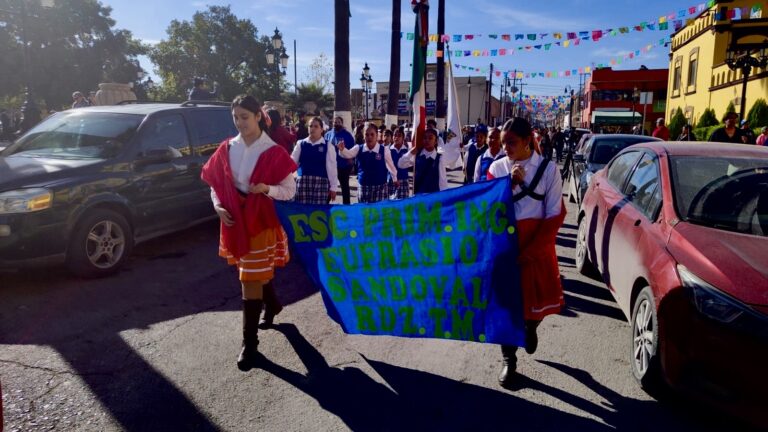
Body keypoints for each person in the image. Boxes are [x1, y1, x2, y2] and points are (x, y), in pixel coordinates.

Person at [200, 95, 297, 371]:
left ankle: (250, 344)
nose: (240, 122)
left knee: (249, 278)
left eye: (245, 116)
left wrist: (267, 189)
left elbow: (290, 192)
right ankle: (274, 304)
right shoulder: (226, 148)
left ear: (258, 117)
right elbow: (216, 184)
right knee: (253, 273)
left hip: (259, 223)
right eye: (236, 117)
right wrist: (217, 206)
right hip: (234, 220)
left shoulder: (275, 152)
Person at [486, 117, 565, 387]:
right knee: (506, 306)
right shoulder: (497, 168)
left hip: (537, 244)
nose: (505, 147)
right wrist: (509, 185)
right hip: (505, 246)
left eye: (511, 142)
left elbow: (555, 213)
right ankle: (509, 360)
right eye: (503, 142)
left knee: (536, 304)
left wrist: (534, 250)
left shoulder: (549, 170)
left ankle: (531, 327)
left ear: (528, 140)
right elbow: (490, 210)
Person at [337, 123, 399, 203]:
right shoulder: (358, 148)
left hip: (380, 188)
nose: (369, 137)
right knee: (364, 214)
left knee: (378, 214)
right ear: (363, 136)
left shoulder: (384, 150)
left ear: (377, 136)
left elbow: (391, 166)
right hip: (363, 187)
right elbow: (348, 154)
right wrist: (342, 149)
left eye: (372, 134)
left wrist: (395, 178)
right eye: (366, 134)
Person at [290, 116, 338, 204]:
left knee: (318, 213)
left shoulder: (328, 146)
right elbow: (292, 163)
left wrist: (333, 187)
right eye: (310, 126)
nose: (312, 128)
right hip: (302, 183)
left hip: (321, 183)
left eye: (316, 126)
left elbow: (332, 168)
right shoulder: (301, 144)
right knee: (302, 212)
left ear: (321, 129)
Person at [397, 128, 448, 194]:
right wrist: (410, 153)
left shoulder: (439, 158)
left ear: (436, 141)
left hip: (433, 196)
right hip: (418, 196)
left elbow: (442, 181)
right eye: (425, 138)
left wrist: (444, 196)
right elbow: (400, 164)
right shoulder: (417, 155)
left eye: (430, 138)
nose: (427, 140)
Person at [325, 116, 356, 204]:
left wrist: (351, 159)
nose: (336, 124)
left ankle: (347, 206)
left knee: (344, 187)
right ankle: (324, 205)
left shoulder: (347, 135)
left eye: (339, 122)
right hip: (330, 166)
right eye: (335, 122)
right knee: (329, 187)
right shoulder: (328, 134)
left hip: (343, 165)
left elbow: (352, 149)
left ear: (342, 124)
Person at [389, 127, 411, 199]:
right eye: (395, 135)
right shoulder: (388, 150)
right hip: (391, 180)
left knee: (402, 204)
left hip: (403, 179)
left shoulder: (407, 150)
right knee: (391, 204)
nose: (396, 137)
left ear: (403, 138)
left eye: (399, 135)